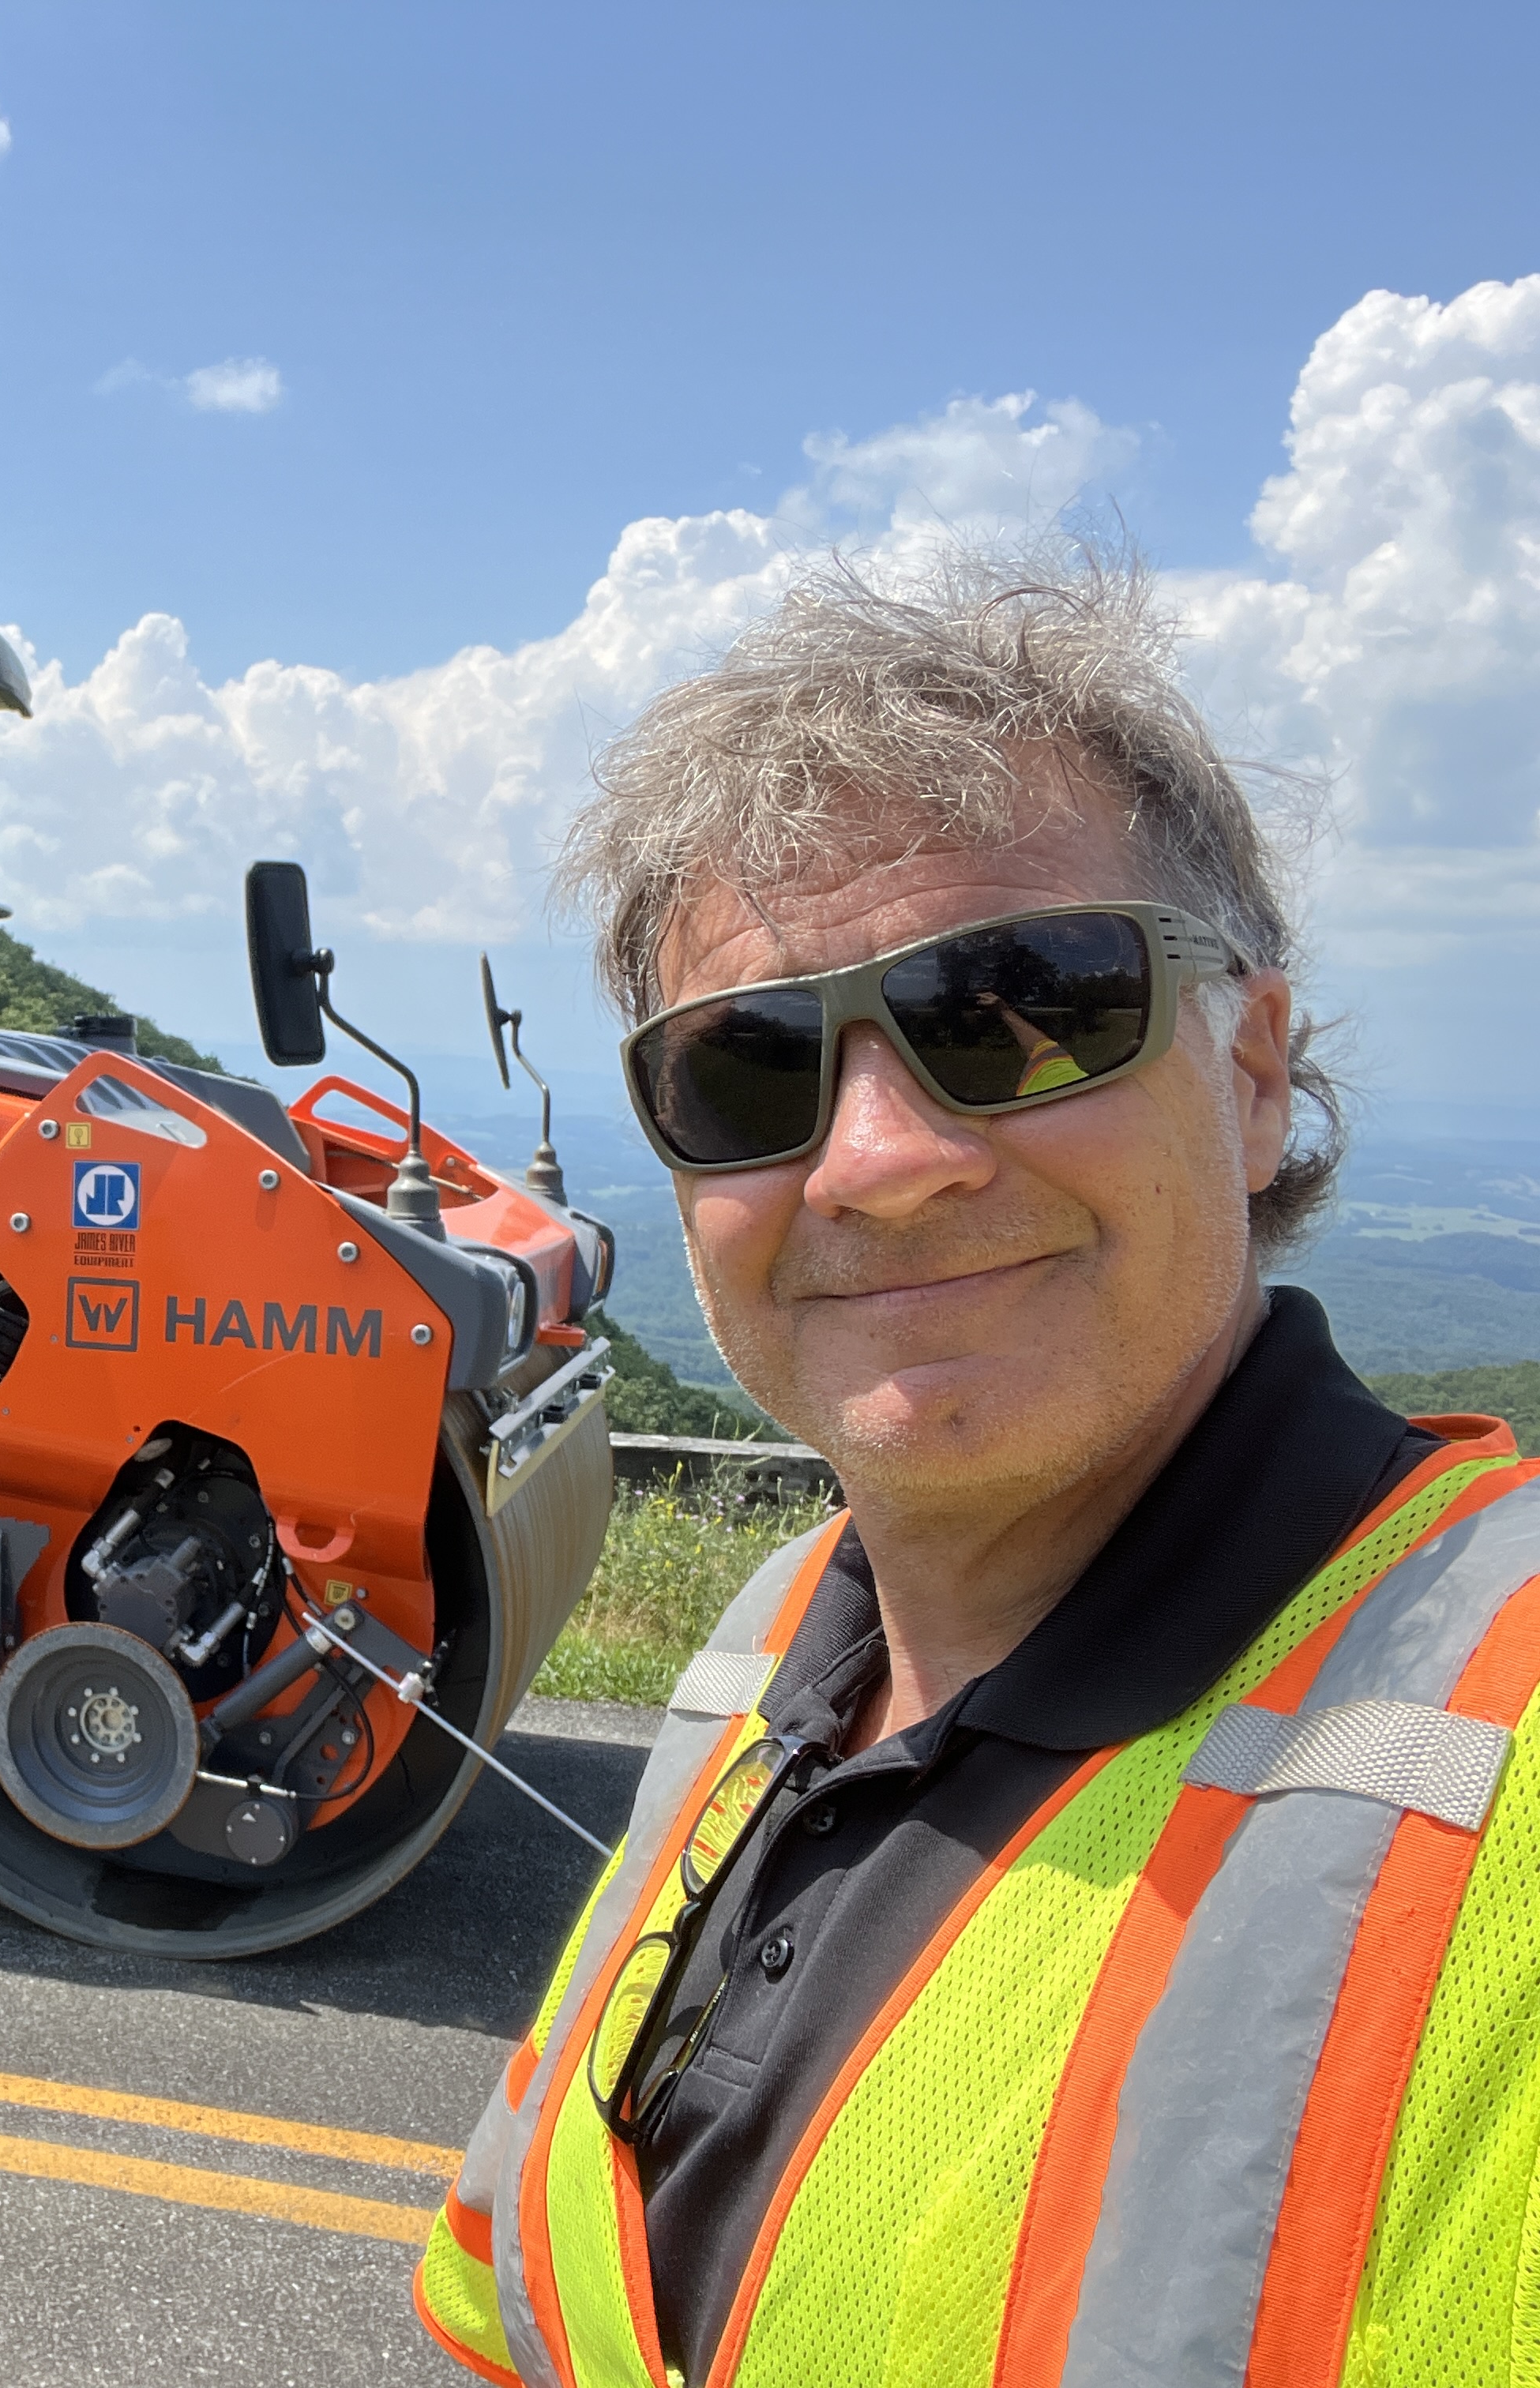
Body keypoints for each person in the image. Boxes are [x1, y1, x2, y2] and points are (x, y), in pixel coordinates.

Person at [415, 547, 1540, 2388]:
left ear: (1253, 1073)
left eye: (1023, 1006)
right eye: (746, 1067)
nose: (874, 1159)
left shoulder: (1505, 1744)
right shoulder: (780, 1640)